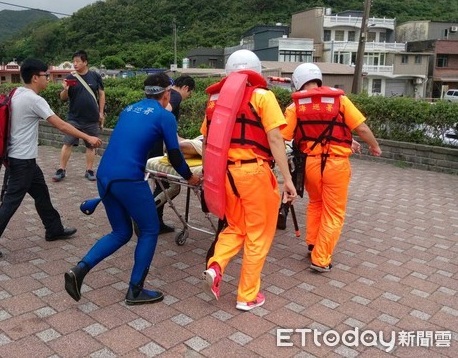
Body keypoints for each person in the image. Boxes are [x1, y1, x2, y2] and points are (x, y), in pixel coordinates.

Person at [64, 72, 202, 305]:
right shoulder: (164, 116)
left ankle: (79, 271)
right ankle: (135, 290)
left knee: (121, 232)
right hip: (129, 179)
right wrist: (190, 177)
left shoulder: (129, 109)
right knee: (149, 230)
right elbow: (176, 154)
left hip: (105, 174)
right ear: (167, 93)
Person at [0, 58, 102, 261]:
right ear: (35, 77)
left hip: (21, 159)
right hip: (22, 161)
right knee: (10, 203)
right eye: (46, 76)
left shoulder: (17, 93)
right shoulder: (34, 100)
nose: (48, 80)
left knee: (41, 194)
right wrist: (88, 137)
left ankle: (54, 229)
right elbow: (61, 125)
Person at [202, 49, 297, 312]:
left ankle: (216, 265)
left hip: (226, 173)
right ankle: (247, 295)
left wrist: (211, 176)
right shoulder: (262, 96)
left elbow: (207, 142)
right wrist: (288, 180)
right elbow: (276, 139)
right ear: (255, 70)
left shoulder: (214, 100)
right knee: (258, 234)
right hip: (254, 172)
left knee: (235, 227)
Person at [281, 62, 381, 272]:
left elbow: (284, 136)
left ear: (297, 83)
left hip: (310, 164)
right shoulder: (339, 100)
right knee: (334, 212)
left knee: (316, 203)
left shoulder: (294, 106)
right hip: (336, 164)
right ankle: (321, 259)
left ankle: (312, 244)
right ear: (318, 78)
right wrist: (374, 146)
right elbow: (361, 128)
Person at [148, 75, 196, 233]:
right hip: (158, 146)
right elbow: (164, 114)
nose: (187, 96)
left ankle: (156, 221)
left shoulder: (166, 95)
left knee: (161, 183)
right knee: (169, 185)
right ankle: (149, 217)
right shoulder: (175, 96)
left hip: (152, 143)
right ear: (186, 88)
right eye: (189, 93)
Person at [53, 50, 105, 182]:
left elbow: (101, 94)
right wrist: (65, 89)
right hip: (74, 118)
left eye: (78, 61)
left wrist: (101, 113)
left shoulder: (95, 76)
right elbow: (63, 98)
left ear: (85, 62)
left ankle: (89, 170)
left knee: (91, 146)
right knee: (67, 143)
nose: (75, 64)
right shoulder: (71, 78)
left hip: (91, 118)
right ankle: (61, 169)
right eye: (73, 62)